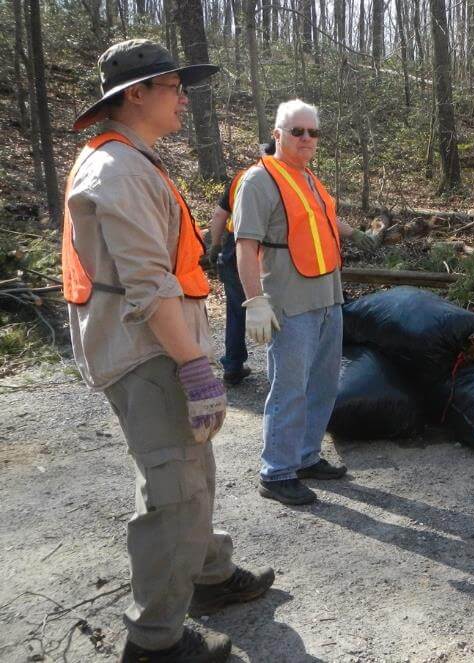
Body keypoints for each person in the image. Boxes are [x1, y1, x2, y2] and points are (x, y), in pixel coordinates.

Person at [64, 40, 274, 662]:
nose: (185, 97)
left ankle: (206, 575)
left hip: (159, 348)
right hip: (151, 353)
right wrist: (193, 366)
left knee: (186, 469)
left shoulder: (132, 160)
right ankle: (155, 641)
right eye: (173, 87)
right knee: (174, 488)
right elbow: (147, 285)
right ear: (136, 94)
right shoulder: (119, 170)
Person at [233, 99, 377, 506]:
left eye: (313, 132)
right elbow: (245, 247)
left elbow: (326, 223)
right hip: (288, 301)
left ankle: (305, 456)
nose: (307, 139)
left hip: (328, 296)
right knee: (289, 388)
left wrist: (362, 235)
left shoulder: (310, 178)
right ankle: (276, 472)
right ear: (277, 134)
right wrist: (255, 302)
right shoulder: (258, 181)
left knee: (324, 383)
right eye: (297, 131)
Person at [207, 140, 276, 386]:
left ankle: (233, 365)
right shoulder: (285, 180)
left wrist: (215, 247)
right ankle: (282, 369)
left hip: (234, 248)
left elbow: (218, 216)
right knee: (278, 308)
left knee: (237, 309)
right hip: (271, 251)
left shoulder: (242, 178)